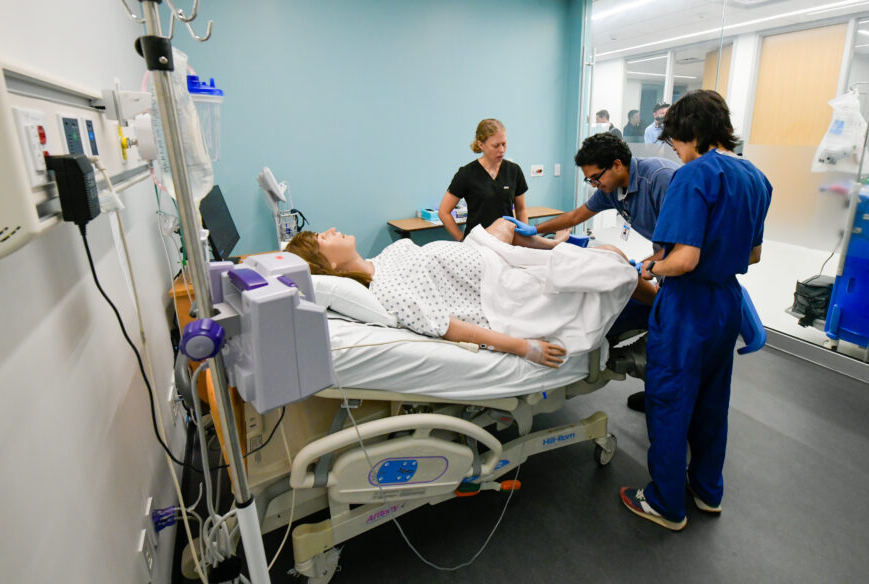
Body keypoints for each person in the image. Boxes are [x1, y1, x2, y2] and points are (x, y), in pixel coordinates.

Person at [618, 89, 772, 531]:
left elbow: (683, 260)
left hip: (687, 304)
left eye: (677, 142)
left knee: (669, 400)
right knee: (711, 400)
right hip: (727, 302)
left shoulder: (693, 175)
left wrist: (651, 265)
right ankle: (707, 491)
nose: (676, 152)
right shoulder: (756, 177)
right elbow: (755, 253)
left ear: (692, 132)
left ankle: (665, 502)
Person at [286, 218, 657, 368]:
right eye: (323, 238)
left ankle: (567, 248)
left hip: (491, 262)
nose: (331, 230)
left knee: (505, 225)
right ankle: (663, 305)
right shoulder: (387, 291)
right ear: (328, 268)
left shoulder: (378, 260)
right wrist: (523, 347)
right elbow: (448, 327)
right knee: (611, 259)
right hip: (504, 292)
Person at [534, 133, 680, 408]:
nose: (594, 185)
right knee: (662, 322)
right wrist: (535, 228)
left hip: (682, 259)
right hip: (661, 258)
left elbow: (683, 245)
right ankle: (658, 393)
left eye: (595, 178)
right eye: (589, 180)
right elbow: (577, 216)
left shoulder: (661, 180)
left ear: (616, 164)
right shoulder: (611, 189)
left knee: (670, 328)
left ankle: (668, 400)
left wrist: (644, 266)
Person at [439, 119, 528, 242]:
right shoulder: (467, 173)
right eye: (496, 145)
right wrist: (462, 240)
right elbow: (444, 212)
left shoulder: (514, 170)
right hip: (477, 245)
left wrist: (524, 237)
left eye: (504, 144)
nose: (501, 150)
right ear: (481, 145)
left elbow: (521, 209)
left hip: (507, 241)